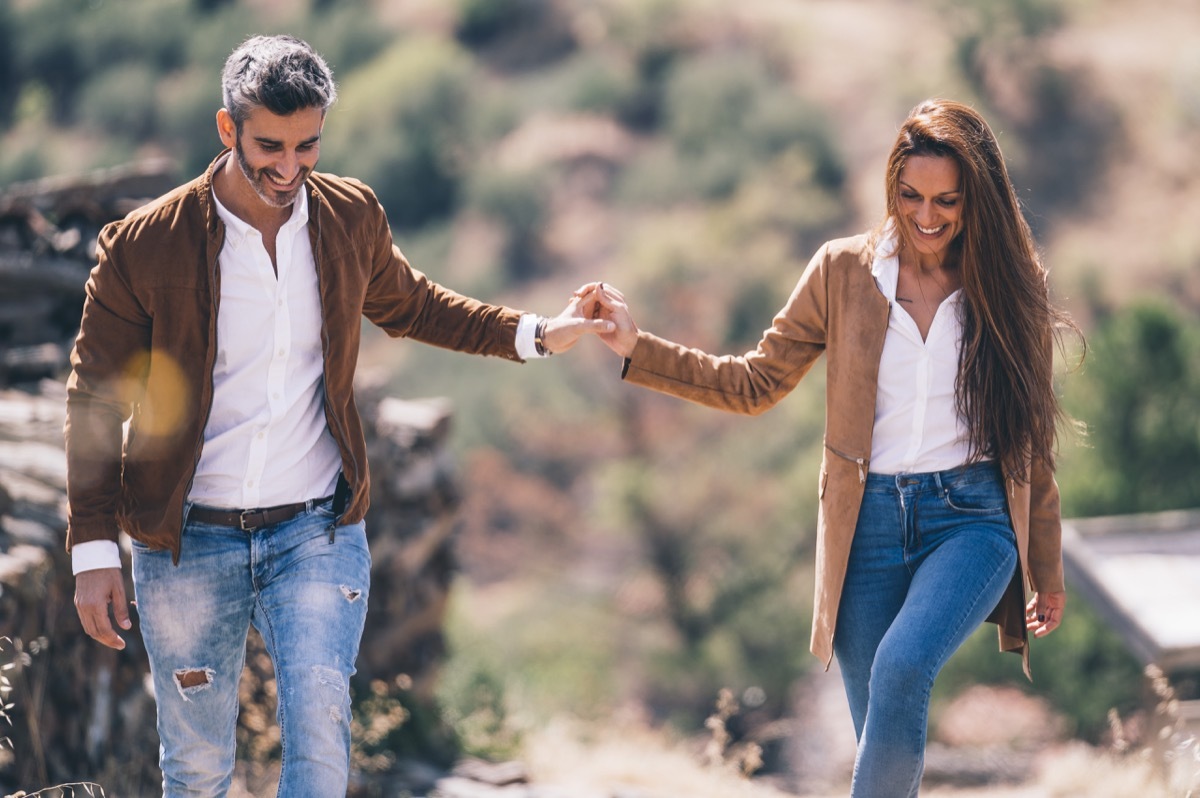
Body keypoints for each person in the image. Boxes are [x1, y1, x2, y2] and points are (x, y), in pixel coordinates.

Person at [65, 34, 613, 798]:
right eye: (268, 147)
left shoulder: (349, 217)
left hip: (314, 532)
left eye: (306, 146)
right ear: (227, 129)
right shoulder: (143, 246)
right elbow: (94, 398)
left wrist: (539, 334)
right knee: (194, 770)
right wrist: (92, 547)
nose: (288, 168)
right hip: (186, 542)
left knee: (320, 748)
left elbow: (416, 306)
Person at [581, 99, 1081, 796]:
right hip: (864, 528)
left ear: (979, 200)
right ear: (890, 188)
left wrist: (1046, 566)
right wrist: (639, 347)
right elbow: (754, 381)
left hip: (971, 520)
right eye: (910, 196)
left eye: (947, 200)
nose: (926, 215)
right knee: (883, 718)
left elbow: (1032, 438)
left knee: (903, 668)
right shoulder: (843, 272)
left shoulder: (1009, 281)